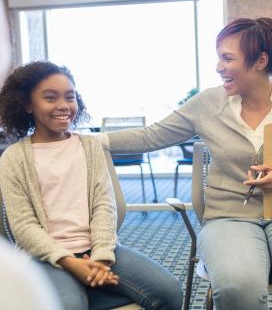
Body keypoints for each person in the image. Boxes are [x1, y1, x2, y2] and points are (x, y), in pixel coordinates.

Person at [97, 18, 272, 309]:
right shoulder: (208, 103)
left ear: (260, 61)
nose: (218, 67)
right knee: (239, 287)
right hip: (227, 216)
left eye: (227, 58)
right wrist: (90, 141)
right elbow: (151, 136)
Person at [0, 61, 183, 310]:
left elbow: (103, 205)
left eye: (70, 97)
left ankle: (85, 290)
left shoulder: (90, 146)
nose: (63, 106)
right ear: (28, 104)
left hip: (98, 249)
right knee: (71, 305)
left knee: (169, 291)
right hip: (47, 257)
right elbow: (23, 226)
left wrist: (101, 259)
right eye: (50, 98)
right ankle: (80, 292)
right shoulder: (13, 157)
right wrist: (70, 263)